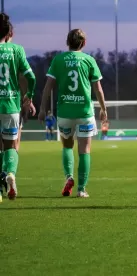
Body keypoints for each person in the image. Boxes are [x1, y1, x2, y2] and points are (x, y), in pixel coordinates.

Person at [39, 29, 107, 198]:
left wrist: (42, 108)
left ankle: (69, 177)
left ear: (67, 42)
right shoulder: (89, 60)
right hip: (84, 112)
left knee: (67, 146)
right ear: (83, 43)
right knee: (85, 150)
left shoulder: (58, 59)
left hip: (64, 112)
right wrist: (104, 109)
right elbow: (98, 88)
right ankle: (82, 189)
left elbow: (48, 87)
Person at [0, 13, 36, 202]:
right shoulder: (17, 50)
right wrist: (28, 97)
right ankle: (10, 174)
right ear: (9, 33)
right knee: (10, 146)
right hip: (11, 105)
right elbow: (31, 78)